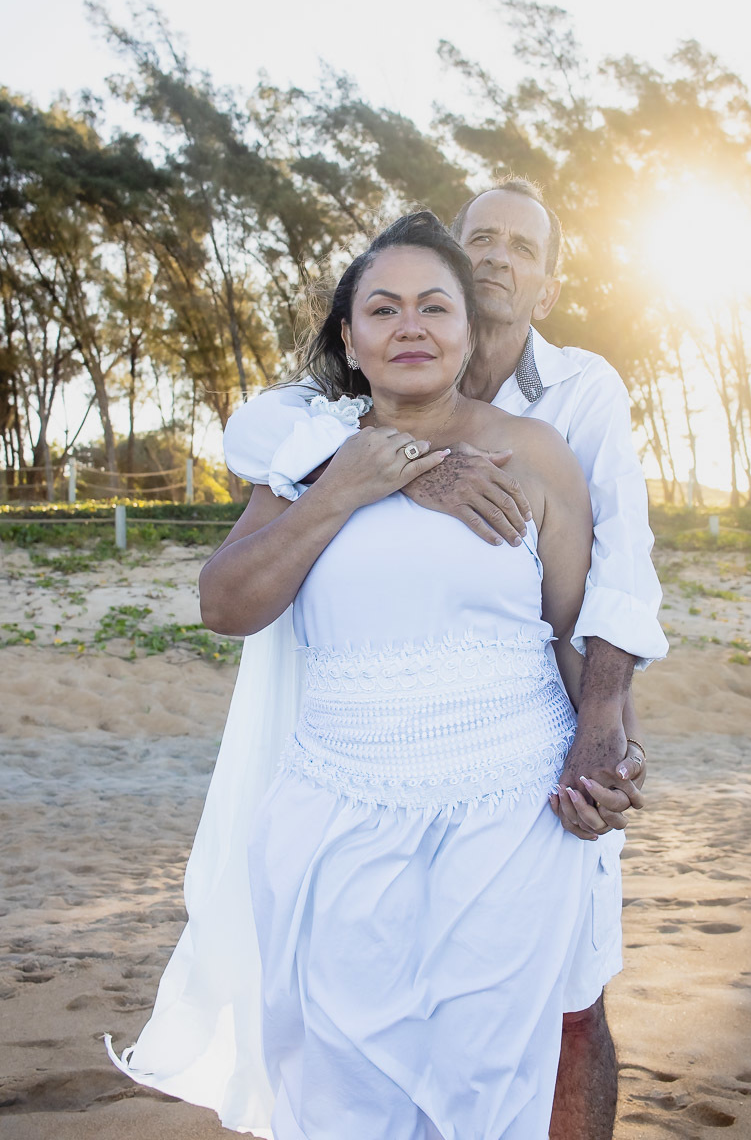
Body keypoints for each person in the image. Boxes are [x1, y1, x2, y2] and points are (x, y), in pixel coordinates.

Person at [107, 210, 645, 1139]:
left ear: (467, 331)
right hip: (337, 808)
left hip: (508, 809)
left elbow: (574, 628)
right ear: (349, 341)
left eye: (434, 307)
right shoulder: (312, 451)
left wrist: (609, 739)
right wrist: (353, 480)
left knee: (485, 1077)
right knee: (341, 1082)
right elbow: (226, 604)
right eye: (383, 309)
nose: (410, 326)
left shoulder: (540, 451)